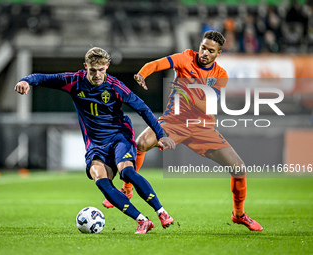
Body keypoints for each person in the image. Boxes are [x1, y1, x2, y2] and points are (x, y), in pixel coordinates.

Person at [103, 31, 263, 231]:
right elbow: (156, 64)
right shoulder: (185, 58)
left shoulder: (220, 75)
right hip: (173, 123)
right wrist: (143, 74)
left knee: (239, 168)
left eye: (210, 51)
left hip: (202, 128)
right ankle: (127, 189)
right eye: (203, 47)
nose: (204, 52)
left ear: (218, 53)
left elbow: (207, 105)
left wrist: (187, 93)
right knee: (141, 143)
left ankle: (239, 215)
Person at [14, 47, 175, 234]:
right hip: (95, 144)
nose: (97, 75)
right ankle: (142, 220)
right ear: (85, 67)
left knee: (127, 172)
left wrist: (161, 134)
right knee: (101, 180)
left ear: (107, 66)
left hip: (119, 137)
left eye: (101, 70)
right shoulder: (73, 81)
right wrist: (26, 80)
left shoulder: (115, 86)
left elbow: (143, 109)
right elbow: (42, 77)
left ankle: (161, 212)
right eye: (93, 70)